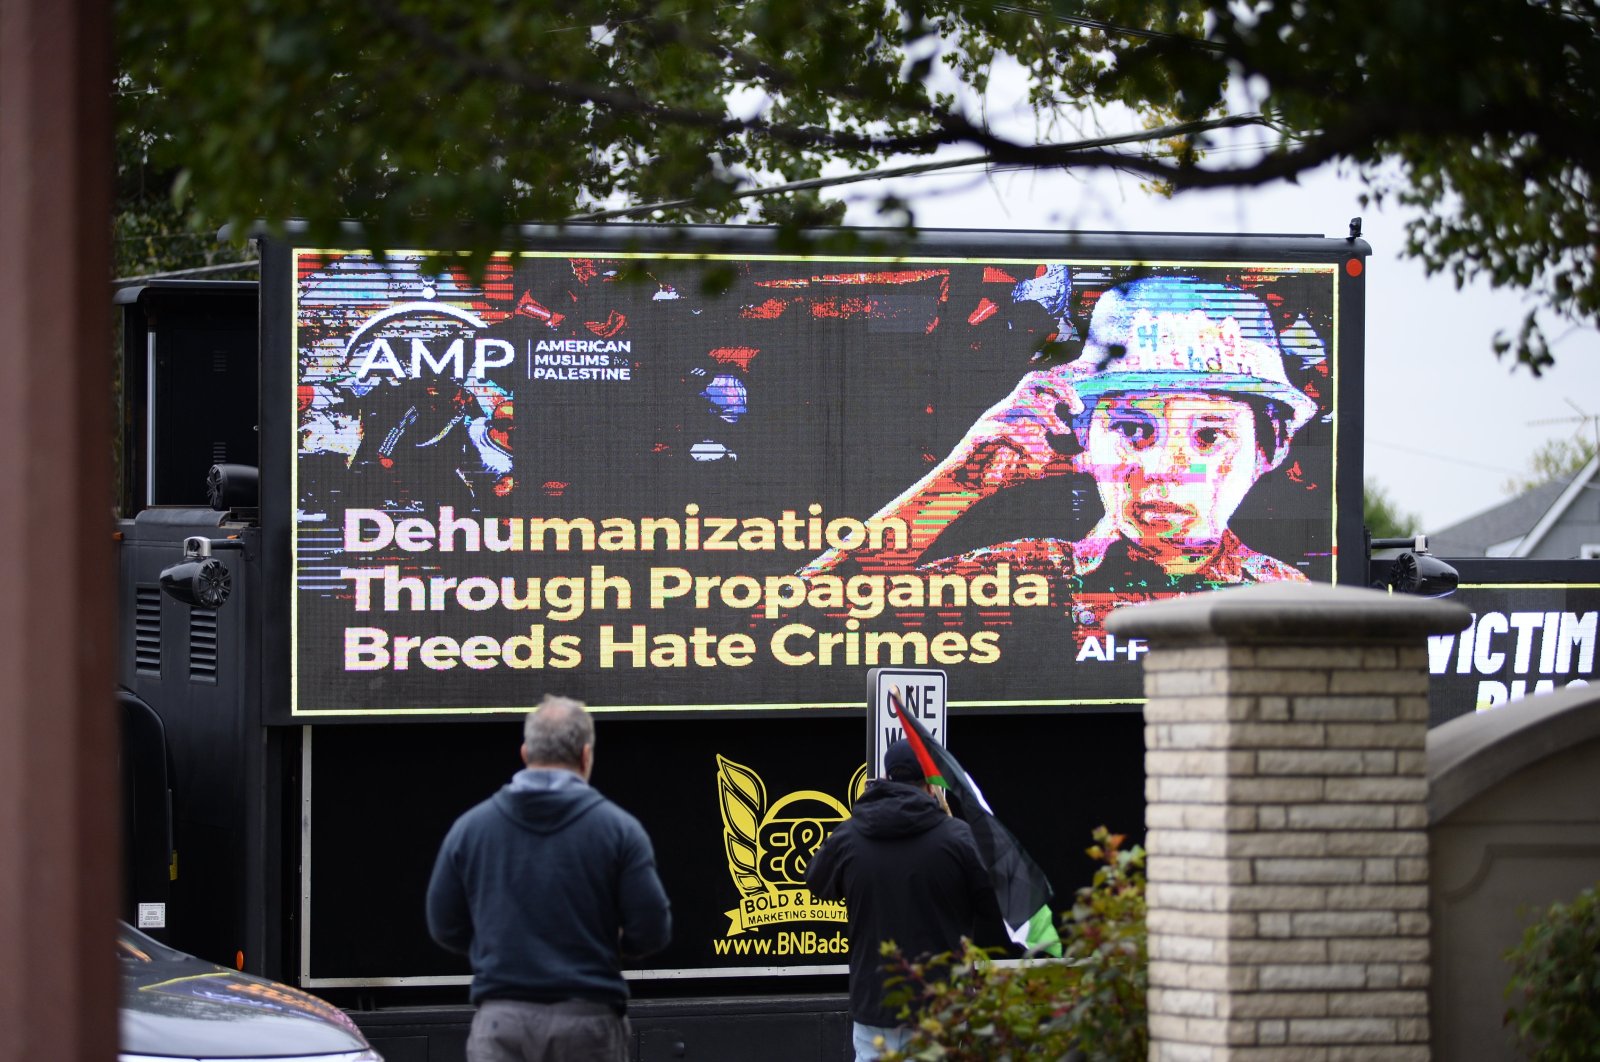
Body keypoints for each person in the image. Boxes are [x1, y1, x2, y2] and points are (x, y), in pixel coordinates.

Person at [800, 274, 1320, 635]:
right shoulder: (1029, 580)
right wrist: (963, 479)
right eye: (1133, 430)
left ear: (1266, 452)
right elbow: (797, 628)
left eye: (1209, 437)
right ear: (1084, 441)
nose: (1161, 468)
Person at [426, 695, 671, 1062]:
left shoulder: (471, 829)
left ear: (525, 753)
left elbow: (444, 925)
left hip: (501, 1026)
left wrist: (501, 947)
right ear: (586, 756)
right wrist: (606, 943)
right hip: (589, 1026)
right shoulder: (620, 830)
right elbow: (652, 930)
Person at [805, 741, 993, 1062]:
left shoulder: (849, 836)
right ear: (930, 782)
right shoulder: (957, 837)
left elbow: (817, 883)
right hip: (942, 1007)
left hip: (874, 1006)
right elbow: (992, 905)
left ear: (888, 777)